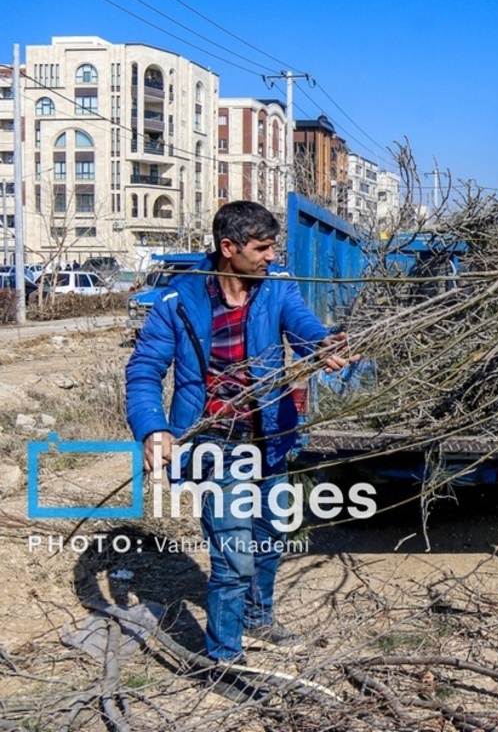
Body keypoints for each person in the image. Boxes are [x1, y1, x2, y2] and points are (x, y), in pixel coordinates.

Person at [125, 201, 357, 676]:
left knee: (271, 533)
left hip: (271, 437)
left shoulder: (278, 288)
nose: (271, 256)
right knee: (232, 557)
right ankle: (224, 658)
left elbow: (305, 327)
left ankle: (258, 617)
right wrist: (153, 428)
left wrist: (324, 345)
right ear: (228, 249)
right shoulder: (178, 300)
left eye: (273, 246)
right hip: (214, 444)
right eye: (262, 247)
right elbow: (145, 369)